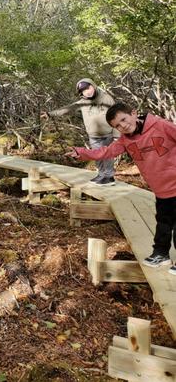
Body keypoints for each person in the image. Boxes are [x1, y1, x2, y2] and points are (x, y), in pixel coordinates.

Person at [66, 103, 176, 270]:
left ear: (134, 113)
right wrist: (82, 153)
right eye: (117, 125)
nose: (123, 126)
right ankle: (161, 254)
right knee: (163, 223)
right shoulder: (125, 141)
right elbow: (105, 152)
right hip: (161, 190)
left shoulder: (160, 125)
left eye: (124, 119)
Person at [43, 78, 117, 185]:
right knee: (96, 155)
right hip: (93, 135)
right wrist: (50, 114)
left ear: (93, 86)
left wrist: (116, 135)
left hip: (108, 133)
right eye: (84, 90)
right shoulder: (82, 102)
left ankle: (109, 177)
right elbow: (68, 108)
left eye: (88, 87)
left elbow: (116, 116)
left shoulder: (106, 98)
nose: (87, 91)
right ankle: (101, 175)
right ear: (81, 93)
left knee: (107, 156)